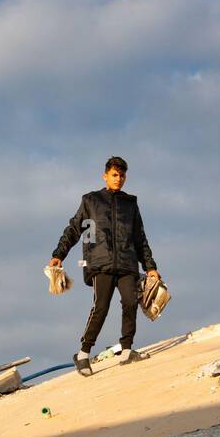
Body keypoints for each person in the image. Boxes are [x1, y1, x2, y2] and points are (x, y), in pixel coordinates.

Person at [49, 156, 160, 374]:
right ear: (105, 176)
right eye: (115, 175)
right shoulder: (91, 200)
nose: (119, 179)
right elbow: (73, 229)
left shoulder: (131, 204)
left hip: (127, 263)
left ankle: (127, 350)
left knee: (130, 302)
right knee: (101, 307)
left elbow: (140, 238)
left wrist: (150, 267)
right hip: (100, 263)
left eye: (122, 175)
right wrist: (58, 254)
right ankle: (83, 354)